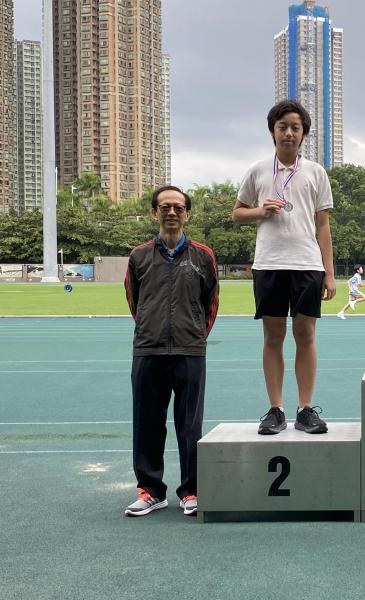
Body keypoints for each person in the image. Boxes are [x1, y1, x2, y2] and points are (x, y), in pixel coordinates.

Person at [232, 99, 336, 436]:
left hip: (307, 264)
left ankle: (305, 409)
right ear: (272, 132)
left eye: (295, 127)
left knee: (305, 335)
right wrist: (261, 211)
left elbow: (323, 226)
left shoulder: (316, 173)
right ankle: (275, 409)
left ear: (303, 133)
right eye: (282, 127)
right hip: (269, 264)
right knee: (273, 336)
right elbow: (237, 213)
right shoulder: (258, 170)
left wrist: (329, 272)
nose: (288, 132)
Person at [123, 185, 219, 517]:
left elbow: (210, 303)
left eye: (178, 207)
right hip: (148, 350)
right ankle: (151, 490)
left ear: (188, 213)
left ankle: (191, 490)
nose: (172, 212)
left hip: (189, 350)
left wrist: (193, 334)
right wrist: (150, 328)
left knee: (189, 424)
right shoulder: (138, 256)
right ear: (154, 213)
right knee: (147, 422)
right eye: (165, 207)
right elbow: (135, 301)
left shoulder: (203, 256)